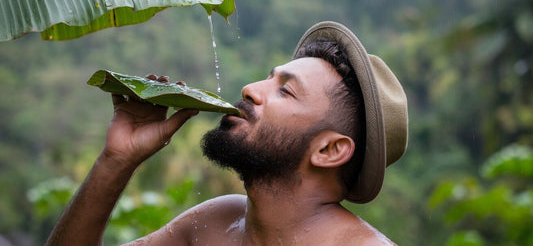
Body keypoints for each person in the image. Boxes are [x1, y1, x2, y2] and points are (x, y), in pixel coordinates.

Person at [46, 21, 408, 245]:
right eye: (269, 77)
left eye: (286, 90)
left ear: (329, 150)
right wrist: (116, 161)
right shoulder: (215, 224)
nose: (250, 89)